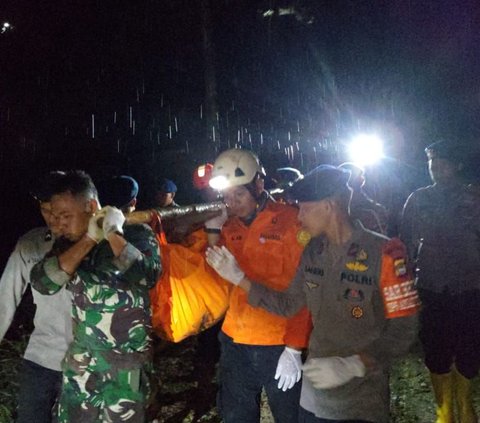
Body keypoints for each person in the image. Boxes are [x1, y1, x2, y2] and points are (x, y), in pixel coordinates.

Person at [207, 164, 419, 423]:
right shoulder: (312, 254)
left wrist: (355, 364)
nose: (299, 216)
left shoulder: (386, 254)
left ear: (329, 206)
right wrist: (239, 278)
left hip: (362, 398)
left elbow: (405, 330)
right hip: (315, 395)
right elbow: (288, 305)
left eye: (305, 208)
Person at [29, 170, 161, 423]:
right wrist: (90, 238)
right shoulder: (70, 244)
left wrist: (112, 233)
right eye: (55, 217)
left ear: (91, 206)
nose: (59, 224)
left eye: (66, 216)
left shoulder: (137, 234)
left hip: (125, 367)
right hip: (81, 364)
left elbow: (147, 276)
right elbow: (43, 282)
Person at [205, 148, 312, 423]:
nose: (232, 203)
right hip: (235, 342)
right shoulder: (230, 227)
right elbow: (218, 279)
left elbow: (306, 289)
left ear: (259, 185)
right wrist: (214, 233)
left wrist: (295, 348)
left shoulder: (292, 222)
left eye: (238, 194)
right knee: (235, 417)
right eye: (226, 196)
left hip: (277, 341)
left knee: (290, 417)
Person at [400, 141, 480, 423]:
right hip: (431, 288)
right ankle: (444, 409)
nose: (435, 166)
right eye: (431, 161)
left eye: (441, 161)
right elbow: (406, 246)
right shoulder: (418, 199)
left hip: (470, 288)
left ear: (457, 165)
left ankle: (465, 404)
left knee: (469, 351)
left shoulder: (475, 198)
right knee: (436, 351)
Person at [0, 171, 72, 423]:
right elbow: (5, 298)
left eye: (59, 209)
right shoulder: (31, 243)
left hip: (86, 363)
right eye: (45, 208)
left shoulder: (95, 245)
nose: (53, 217)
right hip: (40, 358)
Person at [338, 162, 388, 235]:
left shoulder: (360, 195)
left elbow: (367, 201)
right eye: (360, 176)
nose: (363, 178)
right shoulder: (366, 215)